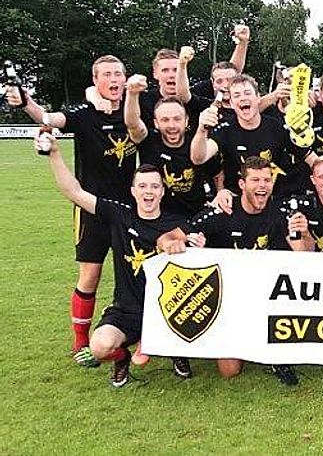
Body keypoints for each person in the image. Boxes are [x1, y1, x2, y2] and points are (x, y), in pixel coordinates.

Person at [6, 55, 138, 367]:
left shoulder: (135, 108)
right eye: (107, 75)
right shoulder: (83, 113)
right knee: (90, 275)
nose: (114, 80)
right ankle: (80, 341)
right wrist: (25, 101)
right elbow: (48, 118)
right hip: (90, 206)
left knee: (135, 274)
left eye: (118, 74)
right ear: (95, 81)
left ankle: (140, 335)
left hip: (128, 210)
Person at [36, 132, 190, 387]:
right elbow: (74, 192)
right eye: (142, 186)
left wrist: (192, 241)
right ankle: (122, 358)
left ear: (163, 191)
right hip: (126, 310)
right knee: (99, 347)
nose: (148, 192)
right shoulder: (119, 215)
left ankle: (175, 351)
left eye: (154, 186)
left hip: (167, 310)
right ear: (133, 191)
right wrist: (54, 154)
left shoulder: (178, 224)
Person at [177, 156, 312, 384]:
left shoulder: (282, 212)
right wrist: (190, 245)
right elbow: (179, 235)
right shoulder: (223, 212)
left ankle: (275, 355)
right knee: (229, 370)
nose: (262, 186)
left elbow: (305, 256)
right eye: (255, 180)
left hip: (269, 297)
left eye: (267, 180)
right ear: (242, 184)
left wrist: (305, 234)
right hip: (230, 298)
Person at [190, 74, 320, 201]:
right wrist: (202, 129)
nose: (242, 98)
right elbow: (198, 158)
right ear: (232, 103)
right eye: (237, 95)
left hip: (272, 200)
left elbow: (310, 157)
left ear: (258, 98)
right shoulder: (225, 129)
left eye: (247, 93)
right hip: (238, 201)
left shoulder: (275, 126)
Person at [124, 76, 213, 217]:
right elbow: (133, 124)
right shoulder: (148, 141)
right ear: (156, 123)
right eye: (165, 120)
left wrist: (220, 194)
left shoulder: (197, 143)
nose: (172, 125)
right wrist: (132, 94)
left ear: (186, 121)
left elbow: (217, 173)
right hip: (158, 217)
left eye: (177, 119)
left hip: (194, 215)